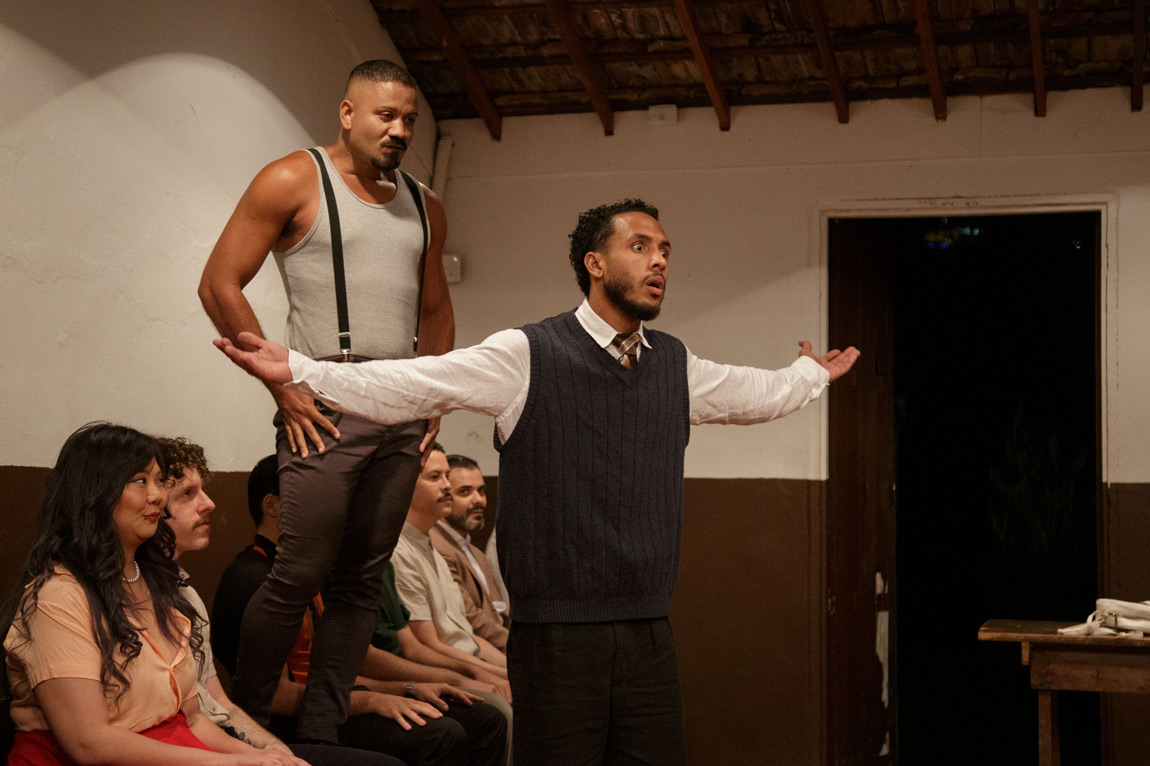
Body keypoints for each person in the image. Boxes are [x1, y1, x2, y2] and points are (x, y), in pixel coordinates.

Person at [213, 198, 861, 764]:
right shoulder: (528, 353)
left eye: (665, 250)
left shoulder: (674, 364)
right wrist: (302, 368)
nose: (660, 260)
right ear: (595, 263)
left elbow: (754, 394)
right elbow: (415, 383)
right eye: (640, 246)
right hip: (554, 636)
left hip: (649, 631)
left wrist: (809, 377)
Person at [198, 57, 454, 744]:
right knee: (299, 572)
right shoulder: (293, 178)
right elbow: (219, 282)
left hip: (401, 401)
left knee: (360, 581)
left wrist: (434, 398)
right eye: (385, 115)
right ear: (347, 112)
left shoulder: (425, 205)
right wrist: (282, 386)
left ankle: (322, 733)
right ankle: (251, 725)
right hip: (326, 398)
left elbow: (436, 311)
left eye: (409, 120)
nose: (399, 130)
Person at [2, 422, 305, 766]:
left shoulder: (159, 585)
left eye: (159, 481)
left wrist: (266, 756)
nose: (158, 496)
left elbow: (194, 720)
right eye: (140, 481)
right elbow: (89, 743)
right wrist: (228, 763)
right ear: (95, 493)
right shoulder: (58, 596)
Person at [213, 455, 507, 766]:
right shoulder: (251, 579)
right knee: (440, 735)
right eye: (317, 498)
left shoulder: (310, 569)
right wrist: (371, 699)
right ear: (273, 506)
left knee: (484, 719)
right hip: (287, 723)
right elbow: (275, 698)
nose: (333, 509)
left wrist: (408, 688)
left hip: (330, 701)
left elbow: (344, 666)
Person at [161, 438, 402, 766]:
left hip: (227, 735)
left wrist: (275, 752)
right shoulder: (251, 578)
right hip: (233, 737)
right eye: (187, 494)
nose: (209, 503)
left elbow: (217, 704)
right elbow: (266, 699)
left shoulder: (185, 592)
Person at [430, 455, 508, 651]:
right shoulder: (436, 546)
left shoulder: (475, 553)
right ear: (445, 495)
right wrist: (522, 647)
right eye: (464, 492)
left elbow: (497, 611)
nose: (478, 500)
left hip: (499, 648)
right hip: (474, 652)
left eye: (481, 491)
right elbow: (470, 618)